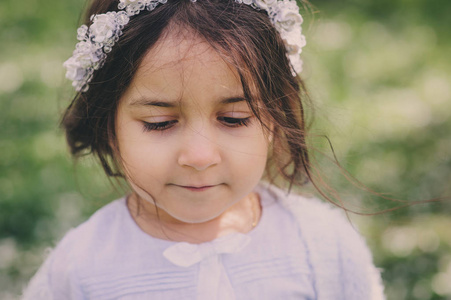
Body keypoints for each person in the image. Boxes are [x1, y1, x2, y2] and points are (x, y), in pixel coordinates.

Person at [23, 0, 385, 299]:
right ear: (108, 126)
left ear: (274, 119)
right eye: (159, 123)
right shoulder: (79, 269)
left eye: (233, 118)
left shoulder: (322, 246)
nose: (199, 156)